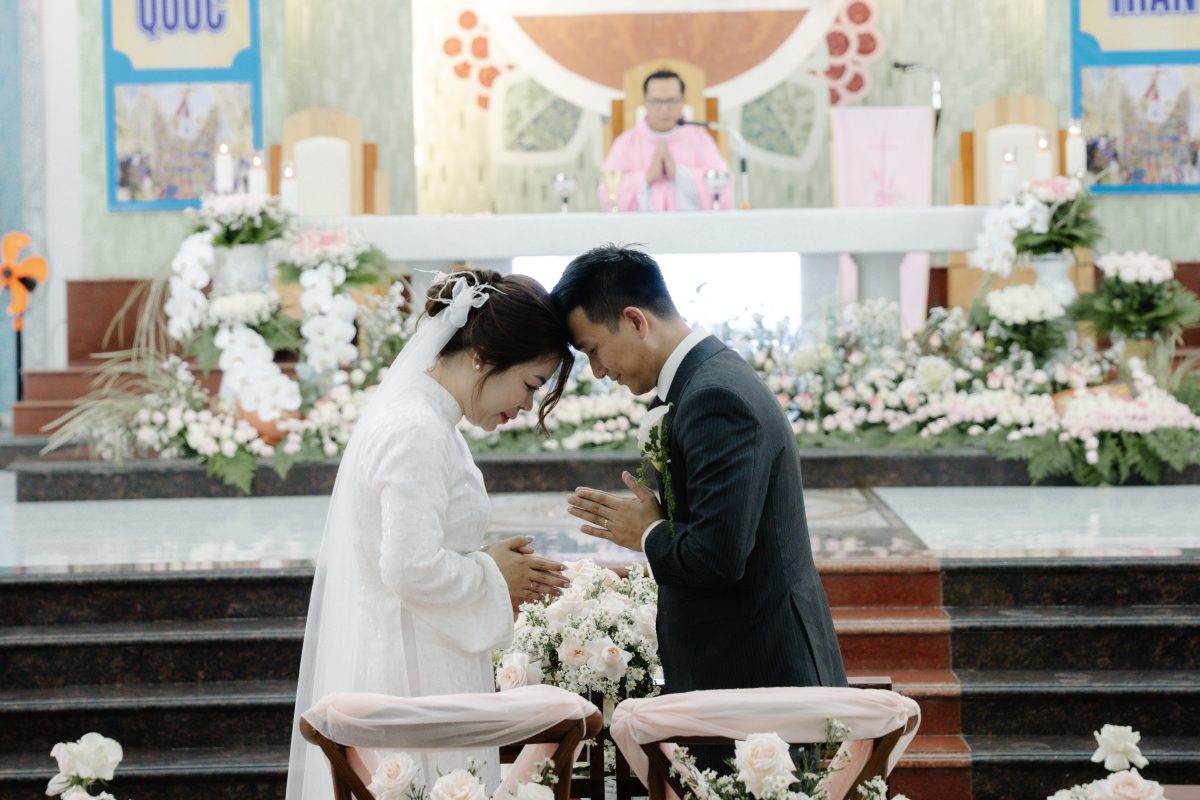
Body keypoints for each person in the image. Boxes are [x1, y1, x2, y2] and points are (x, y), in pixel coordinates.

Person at [553, 245, 846, 764]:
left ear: (635, 321)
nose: (597, 370)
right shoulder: (706, 379)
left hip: (757, 678)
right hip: (746, 673)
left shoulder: (714, 397)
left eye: (594, 350)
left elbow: (717, 555)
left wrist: (648, 532)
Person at [287, 270, 574, 800]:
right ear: (482, 356)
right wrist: (493, 571)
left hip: (422, 649)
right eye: (531, 385)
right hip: (412, 670)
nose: (527, 406)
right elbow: (408, 566)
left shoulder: (428, 419)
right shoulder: (416, 428)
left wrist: (487, 563)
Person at [600, 70, 733, 212]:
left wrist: (679, 173)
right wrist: (648, 176)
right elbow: (607, 192)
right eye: (657, 101)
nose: (664, 109)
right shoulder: (626, 143)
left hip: (690, 224)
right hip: (640, 225)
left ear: (683, 101)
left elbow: (724, 186)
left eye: (671, 101)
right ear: (644, 102)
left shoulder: (700, 140)